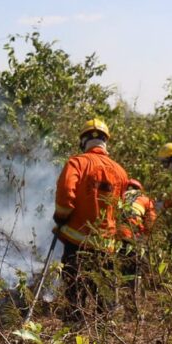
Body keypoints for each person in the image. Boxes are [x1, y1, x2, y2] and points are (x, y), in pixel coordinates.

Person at [52, 118, 130, 320]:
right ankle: (105, 335)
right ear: (105, 141)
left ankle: (73, 329)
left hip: (77, 242)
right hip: (106, 246)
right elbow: (121, 209)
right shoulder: (121, 173)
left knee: (74, 293)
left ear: (83, 140)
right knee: (104, 295)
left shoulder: (77, 163)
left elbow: (65, 195)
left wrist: (61, 217)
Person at [116, 178, 156, 288]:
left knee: (120, 267)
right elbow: (150, 223)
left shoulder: (119, 196)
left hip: (116, 237)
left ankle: (121, 292)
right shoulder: (145, 199)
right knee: (136, 267)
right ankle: (134, 294)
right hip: (133, 236)